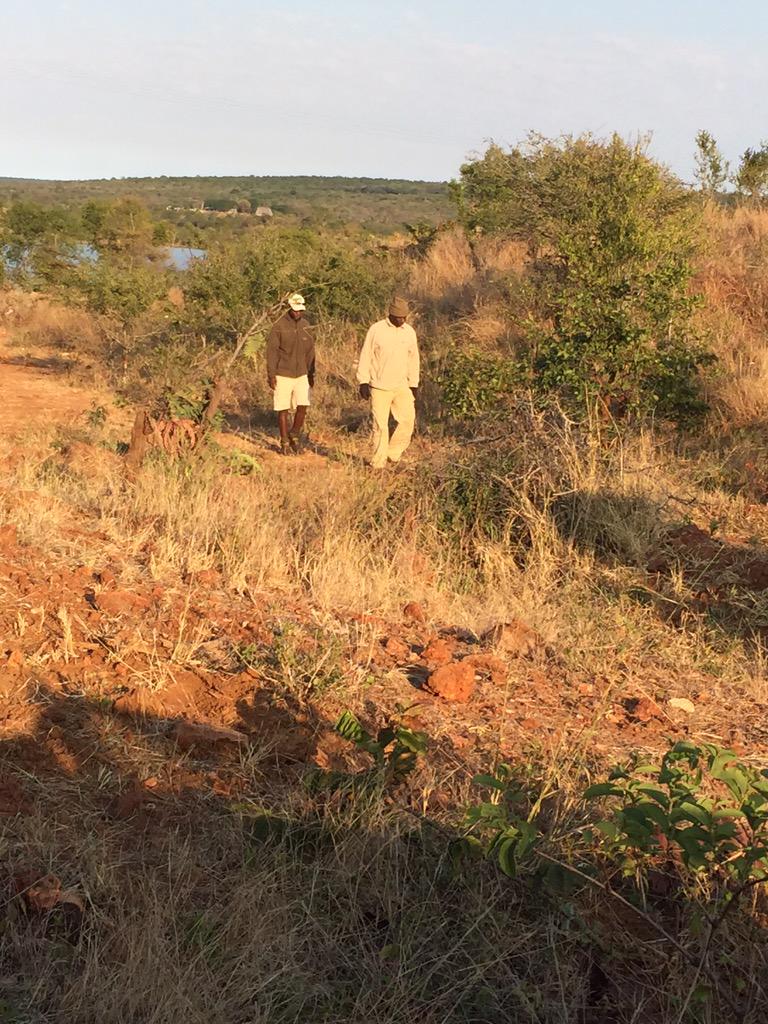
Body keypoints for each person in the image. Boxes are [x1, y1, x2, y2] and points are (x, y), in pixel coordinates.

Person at [356, 296, 420, 469]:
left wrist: (413, 383)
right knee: (380, 426)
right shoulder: (376, 329)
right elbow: (366, 355)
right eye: (398, 317)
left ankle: (393, 453)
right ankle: (378, 462)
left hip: (401, 385)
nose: (402, 320)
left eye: (404, 317)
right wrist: (363, 381)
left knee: (408, 420)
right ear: (390, 314)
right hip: (379, 386)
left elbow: (414, 359)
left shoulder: (409, 332)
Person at [266, 292, 316, 455]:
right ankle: (284, 441)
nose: (298, 313)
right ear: (289, 308)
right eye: (295, 310)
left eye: (300, 310)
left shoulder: (306, 326)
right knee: (283, 408)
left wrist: (311, 373)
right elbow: (272, 352)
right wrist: (271, 375)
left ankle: (294, 434)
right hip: (283, 373)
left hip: (302, 373)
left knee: (303, 405)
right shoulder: (279, 326)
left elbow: (311, 352)